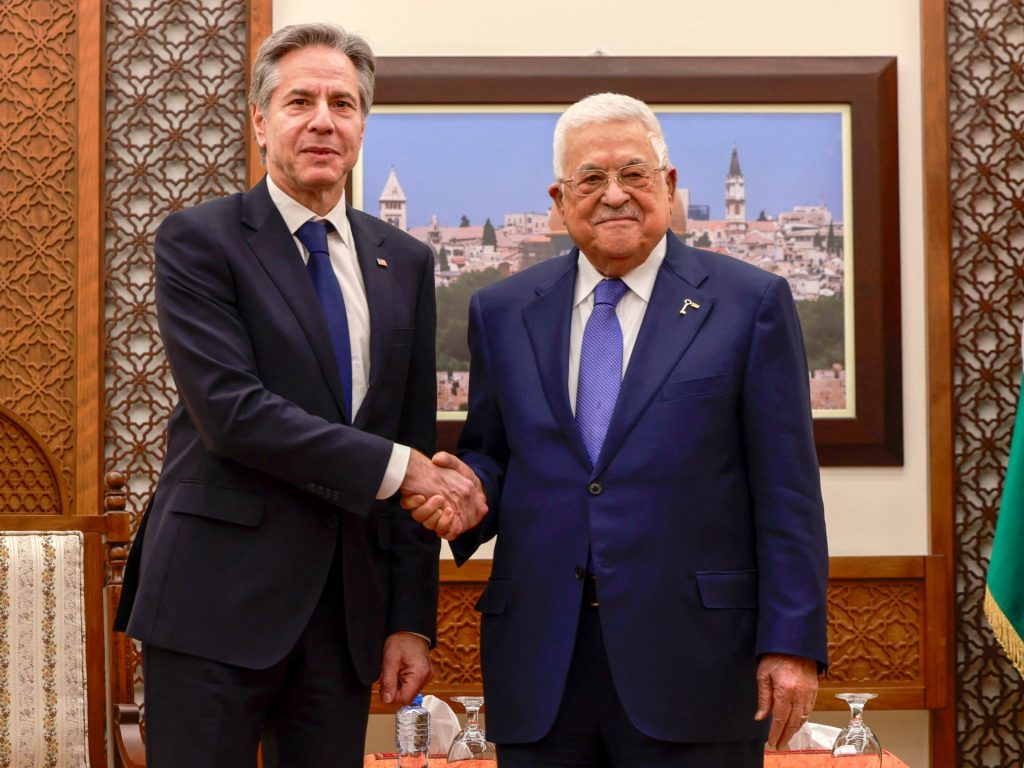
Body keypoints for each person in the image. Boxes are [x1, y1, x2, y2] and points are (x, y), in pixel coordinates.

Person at [406, 92, 828, 767]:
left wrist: (792, 644)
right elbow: (495, 456)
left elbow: (788, 491)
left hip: (698, 663)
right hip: (541, 664)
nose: (614, 195)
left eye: (633, 173)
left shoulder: (749, 304)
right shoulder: (502, 311)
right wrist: (468, 494)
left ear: (668, 184)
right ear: (559, 198)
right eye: (591, 178)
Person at [113, 23, 485, 768]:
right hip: (214, 600)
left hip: (343, 614)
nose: (323, 120)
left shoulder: (405, 260)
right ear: (260, 122)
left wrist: (411, 619)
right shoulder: (200, 240)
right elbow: (233, 414)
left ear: (362, 127)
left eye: (342, 104)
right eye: (300, 101)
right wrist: (402, 469)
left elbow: (410, 431)